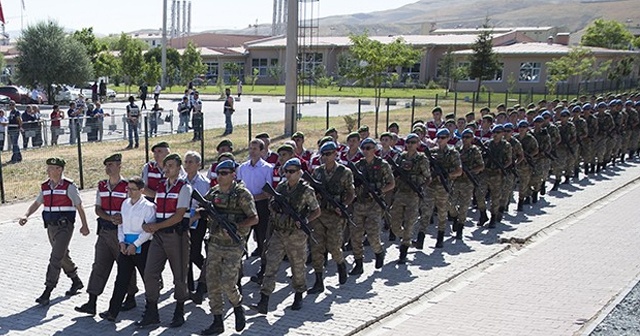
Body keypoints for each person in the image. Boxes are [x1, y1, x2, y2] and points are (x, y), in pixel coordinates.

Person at [197, 160, 258, 335]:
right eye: (219, 173)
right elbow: (202, 207)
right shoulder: (214, 193)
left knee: (227, 282)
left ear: (233, 175)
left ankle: (238, 306)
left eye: (225, 173)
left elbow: (254, 218)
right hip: (215, 243)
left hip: (233, 245)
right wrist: (200, 213)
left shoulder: (242, 194)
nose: (221, 176)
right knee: (213, 283)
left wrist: (237, 225)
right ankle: (217, 321)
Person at [252, 158, 321, 314]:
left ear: (299, 172)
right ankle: (264, 300)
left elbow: (316, 211)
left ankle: (298, 295)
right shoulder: (281, 188)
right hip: (279, 233)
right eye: (286, 171)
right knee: (271, 265)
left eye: (291, 172)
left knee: (297, 266)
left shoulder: (306, 190)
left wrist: (305, 220)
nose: (288, 175)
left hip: (296, 235)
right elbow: (271, 203)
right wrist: (275, 206)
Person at [19, 157, 90, 306]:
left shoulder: (69, 186)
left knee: (55, 257)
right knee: (62, 255)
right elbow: (37, 203)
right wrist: (26, 215)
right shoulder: (45, 186)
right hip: (50, 226)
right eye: (48, 168)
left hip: (65, 226)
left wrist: (84, 225)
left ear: (59, 169)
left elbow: (79, 206)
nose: (48, 171)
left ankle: (48, 290)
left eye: (51, 168)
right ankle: (76, 280)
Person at [75, 153, 138, 316]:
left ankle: (130, 297)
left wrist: (122, 218)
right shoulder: (102, 185)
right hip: (104, 231)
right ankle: (92, 302)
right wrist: (109, 217)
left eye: (111, 165)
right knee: (99, 265)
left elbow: (134, 206)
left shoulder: (127, 186)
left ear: (119, 166)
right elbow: (97, 208)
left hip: (121, 232)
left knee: (125, 266)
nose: (108, 168)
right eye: (106, 165)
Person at [137, 153, 192, 328]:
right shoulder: (161, 186)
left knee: (179, 275)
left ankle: (179, 309)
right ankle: (152, 310)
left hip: (176, 236)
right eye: (165, 165)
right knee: (150, 273)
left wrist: (156, 227)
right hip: (159, 236)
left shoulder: (184, 187)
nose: (166, 169)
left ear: (178, 168)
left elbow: (178, 216)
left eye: (171, 166)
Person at [99, 176, 156, 322]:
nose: (129, 191)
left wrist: (135, 245)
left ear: (141, 190)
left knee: (148, 280)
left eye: (132, 189)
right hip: (125, 247)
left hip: (142, 246)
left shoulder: (148, 207)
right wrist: (121, 242)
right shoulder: (125, 204)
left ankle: (151, 313)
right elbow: (121, 225)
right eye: (128, 188)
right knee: (121, 279)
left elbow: (149, 230)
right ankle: (113, 312)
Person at [307, 141, 354, 293]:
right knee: (317, 248)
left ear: (335, 154)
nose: (325, 157)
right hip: (320, 214)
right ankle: (319, 281)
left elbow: (350, 193)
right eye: (323, 155)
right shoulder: (318, 172)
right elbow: (311, 191)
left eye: (329, 154)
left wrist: (344, 206)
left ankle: (341, 264)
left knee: (334, 247)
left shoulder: (344, 172)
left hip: (335, 216)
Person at [349, 138, 395, 272]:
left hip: (374, 204)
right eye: (363, 148)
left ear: (374, 149)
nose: (366, 151)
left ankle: (378, 251)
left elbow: (391, 184)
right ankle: (358, 263)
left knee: (372, 233)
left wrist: (379, 191)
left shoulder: (382, 164)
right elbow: (351, 183)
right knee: (355, 235)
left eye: (368, 148)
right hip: (359, 204)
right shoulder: (358, 166)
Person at [415, 129, 461, 249]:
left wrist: (446, 175)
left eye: (443, 138)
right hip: (430, 186)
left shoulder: (452, 153)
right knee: (426, 212)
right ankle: (420, 239)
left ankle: (440, 238)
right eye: (438, 138)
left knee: (442, 212)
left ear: (447, 138)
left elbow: (458, 171)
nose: (440, 140)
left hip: (444, 187)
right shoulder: (431, 153)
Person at [389, 133, 430, 263]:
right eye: (408, 142)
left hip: (413, 194)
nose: (410, 145)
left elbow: (428, 177)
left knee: (409, 223)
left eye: (413, 142)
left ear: (418, 144)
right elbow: (393, 174)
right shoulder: (400, 157)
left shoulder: (421, 159)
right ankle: (407, 239)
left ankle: (404, 249)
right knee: (394, 225)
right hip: (401, 193)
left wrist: (420, 188)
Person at [236, 139, 273, 283]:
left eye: (255, 149)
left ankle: (263, 270)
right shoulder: (242, 167)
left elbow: (268, 192)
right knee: (241, 238)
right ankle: (237, 271)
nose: (252, 151)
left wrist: (251, 198)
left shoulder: (267, 168)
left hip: (261, 206)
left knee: (262, 238)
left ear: (262, 151)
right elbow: (239, 186)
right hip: (244, 208)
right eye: (250, 148)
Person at [183, 151, 211, 304]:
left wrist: (195, 216)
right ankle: (188, 288)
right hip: (183, 219)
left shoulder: (204, 182)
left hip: (198, 221)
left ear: (198, 165)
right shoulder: (181, 180)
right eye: (186, 161)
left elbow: (206, 204)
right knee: (185, 255)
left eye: (191, 162)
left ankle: (208, 275)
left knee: (194, 253)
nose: (187, 165)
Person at [450, 128, 484, 239]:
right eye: (463, 137)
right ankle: (455, 218)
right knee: (450, 205)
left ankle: (460, 228)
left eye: (468, 137)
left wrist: (470, 171)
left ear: (472, 138)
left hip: (467, 182)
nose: (465, 139)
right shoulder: (457, 150)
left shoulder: (475, 151)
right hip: (456, 182)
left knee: (464, 207)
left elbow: (481, 166)